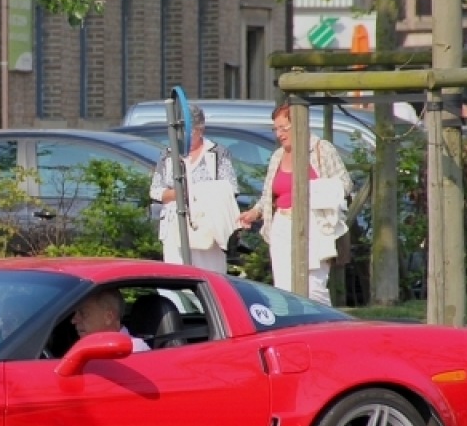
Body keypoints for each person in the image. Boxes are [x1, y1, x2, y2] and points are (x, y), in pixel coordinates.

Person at [237, 103, 353, 305]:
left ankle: (323, 330)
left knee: (314, 287)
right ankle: (295, 332)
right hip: (282, 224)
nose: (279, 134)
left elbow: (345, 185)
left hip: (315, 223)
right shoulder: (277, 156)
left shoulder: (321, 149)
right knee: (284, 287)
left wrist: (316, 190)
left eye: (284, 128)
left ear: (299, 125)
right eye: (276, 129)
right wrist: (254, 213)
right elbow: (268, 194)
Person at [149, 104, 239, 273]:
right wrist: (178, 193)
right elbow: (155, 190)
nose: (184, 136)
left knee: (209, 276)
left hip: (208, 225)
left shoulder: (217, 153)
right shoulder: (168, 154)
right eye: (180, 131)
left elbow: (230, 188)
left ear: (200, 129)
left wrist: (198, 193)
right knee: (176, 276)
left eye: (190, 131)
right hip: (175, 226)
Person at [70, 288, 149, 352]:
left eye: (83, 313)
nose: (73, 321)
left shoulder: (135, 351)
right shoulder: (84, 347)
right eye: (75, 313)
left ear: (109, 317)